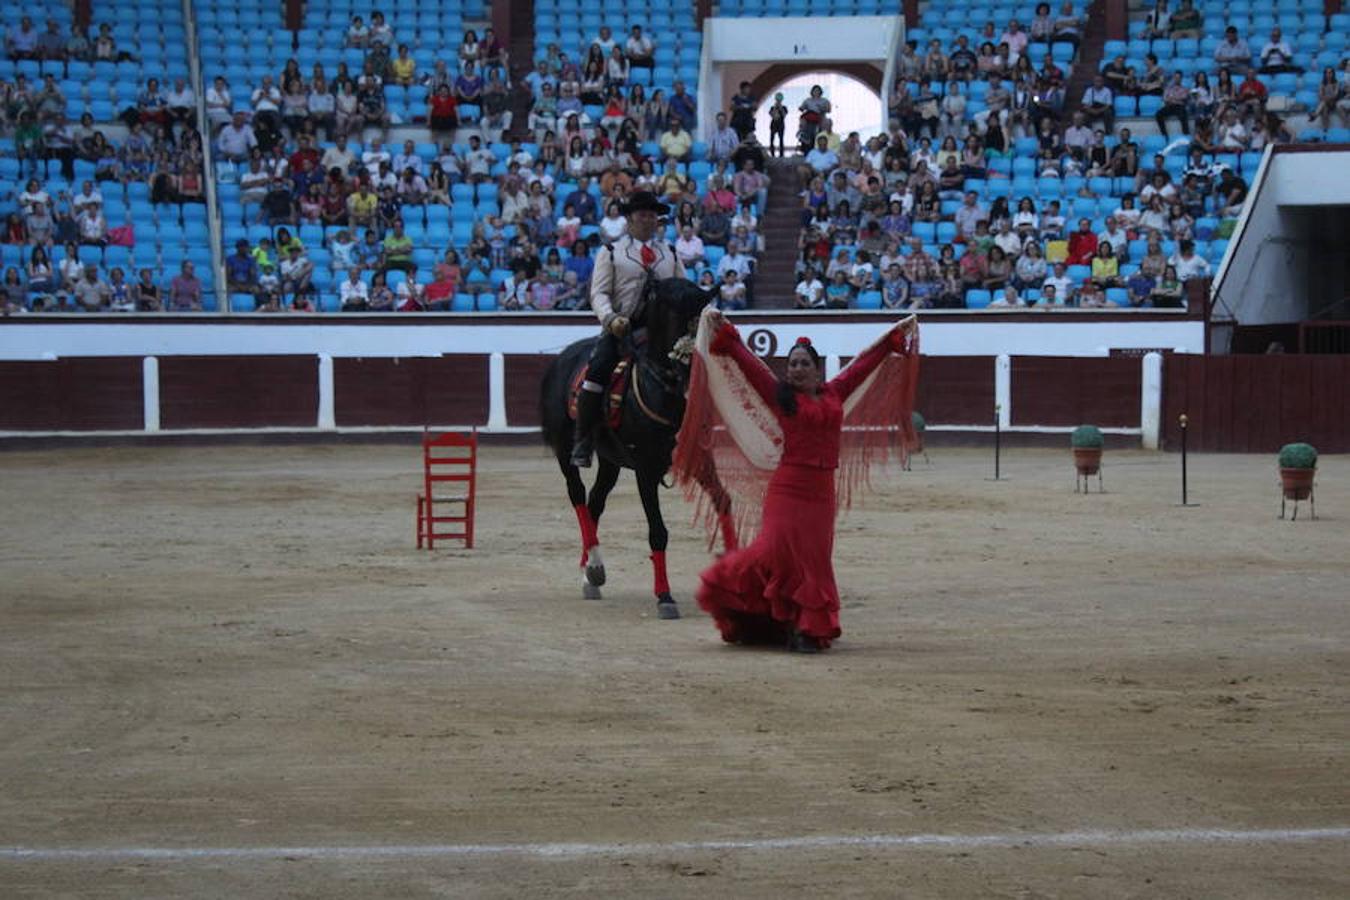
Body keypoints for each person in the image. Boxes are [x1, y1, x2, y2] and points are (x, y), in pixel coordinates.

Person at [675, 311, 919, 652]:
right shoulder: (780, 395)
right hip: (788, 490)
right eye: (792, 364)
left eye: (804, 364)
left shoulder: (835, 392)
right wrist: (729, 339)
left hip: (821, 494)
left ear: (816, 370)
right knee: (773, 551)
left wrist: (889, 342)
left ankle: (804, 629)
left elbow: (862, 367)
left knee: (813, 560)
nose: (797, 369)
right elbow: (751, 368)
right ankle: (784, 621)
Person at [570, 191, 686, 467]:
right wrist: (610, 318)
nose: (648, 219)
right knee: (597, 371)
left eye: (652, 215)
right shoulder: (611, 252)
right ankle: (584, 439)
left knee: (693, 370)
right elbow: (598, 293)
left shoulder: (669, 252)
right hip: (623, 327)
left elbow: (683, 290)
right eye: (642, 214)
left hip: (663, 333)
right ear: (630, 218)